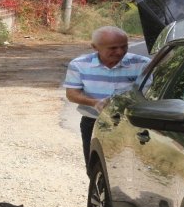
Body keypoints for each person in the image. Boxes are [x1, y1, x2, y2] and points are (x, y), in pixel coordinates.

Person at [63, 26, 151, 168]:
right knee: (95, 167)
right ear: (95, 47)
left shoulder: (141, 64)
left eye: (124, 46)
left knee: (128, 169)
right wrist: (94, 103)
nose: (120, 52)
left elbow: (149, 93)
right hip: (93, 122)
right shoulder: (79, 65)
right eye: (113, 48)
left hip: (131, 125)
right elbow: (72, 94)